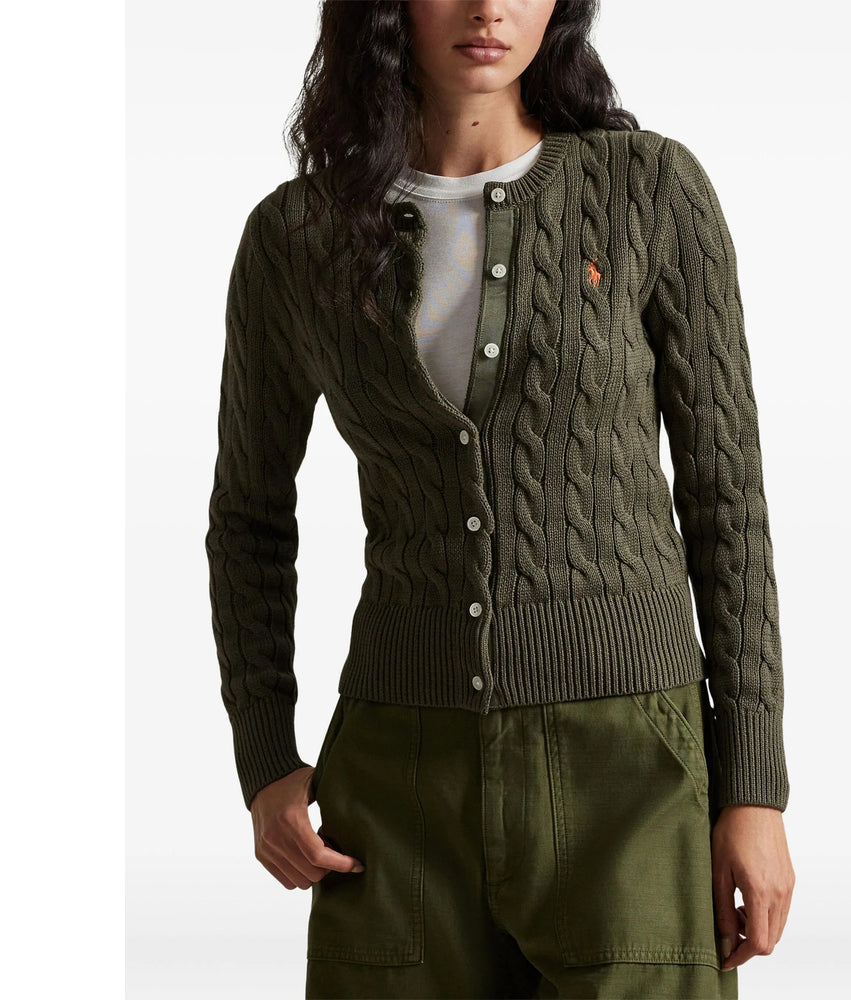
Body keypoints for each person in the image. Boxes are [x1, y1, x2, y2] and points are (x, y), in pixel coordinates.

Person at [205, 1, 796, 997]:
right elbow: (249, 518)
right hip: (398, 774)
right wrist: (265, 758)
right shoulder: (296, 235)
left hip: (630, 761)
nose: (489, 8)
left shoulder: (647, 189)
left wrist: (753, 786)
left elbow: (727, 498)